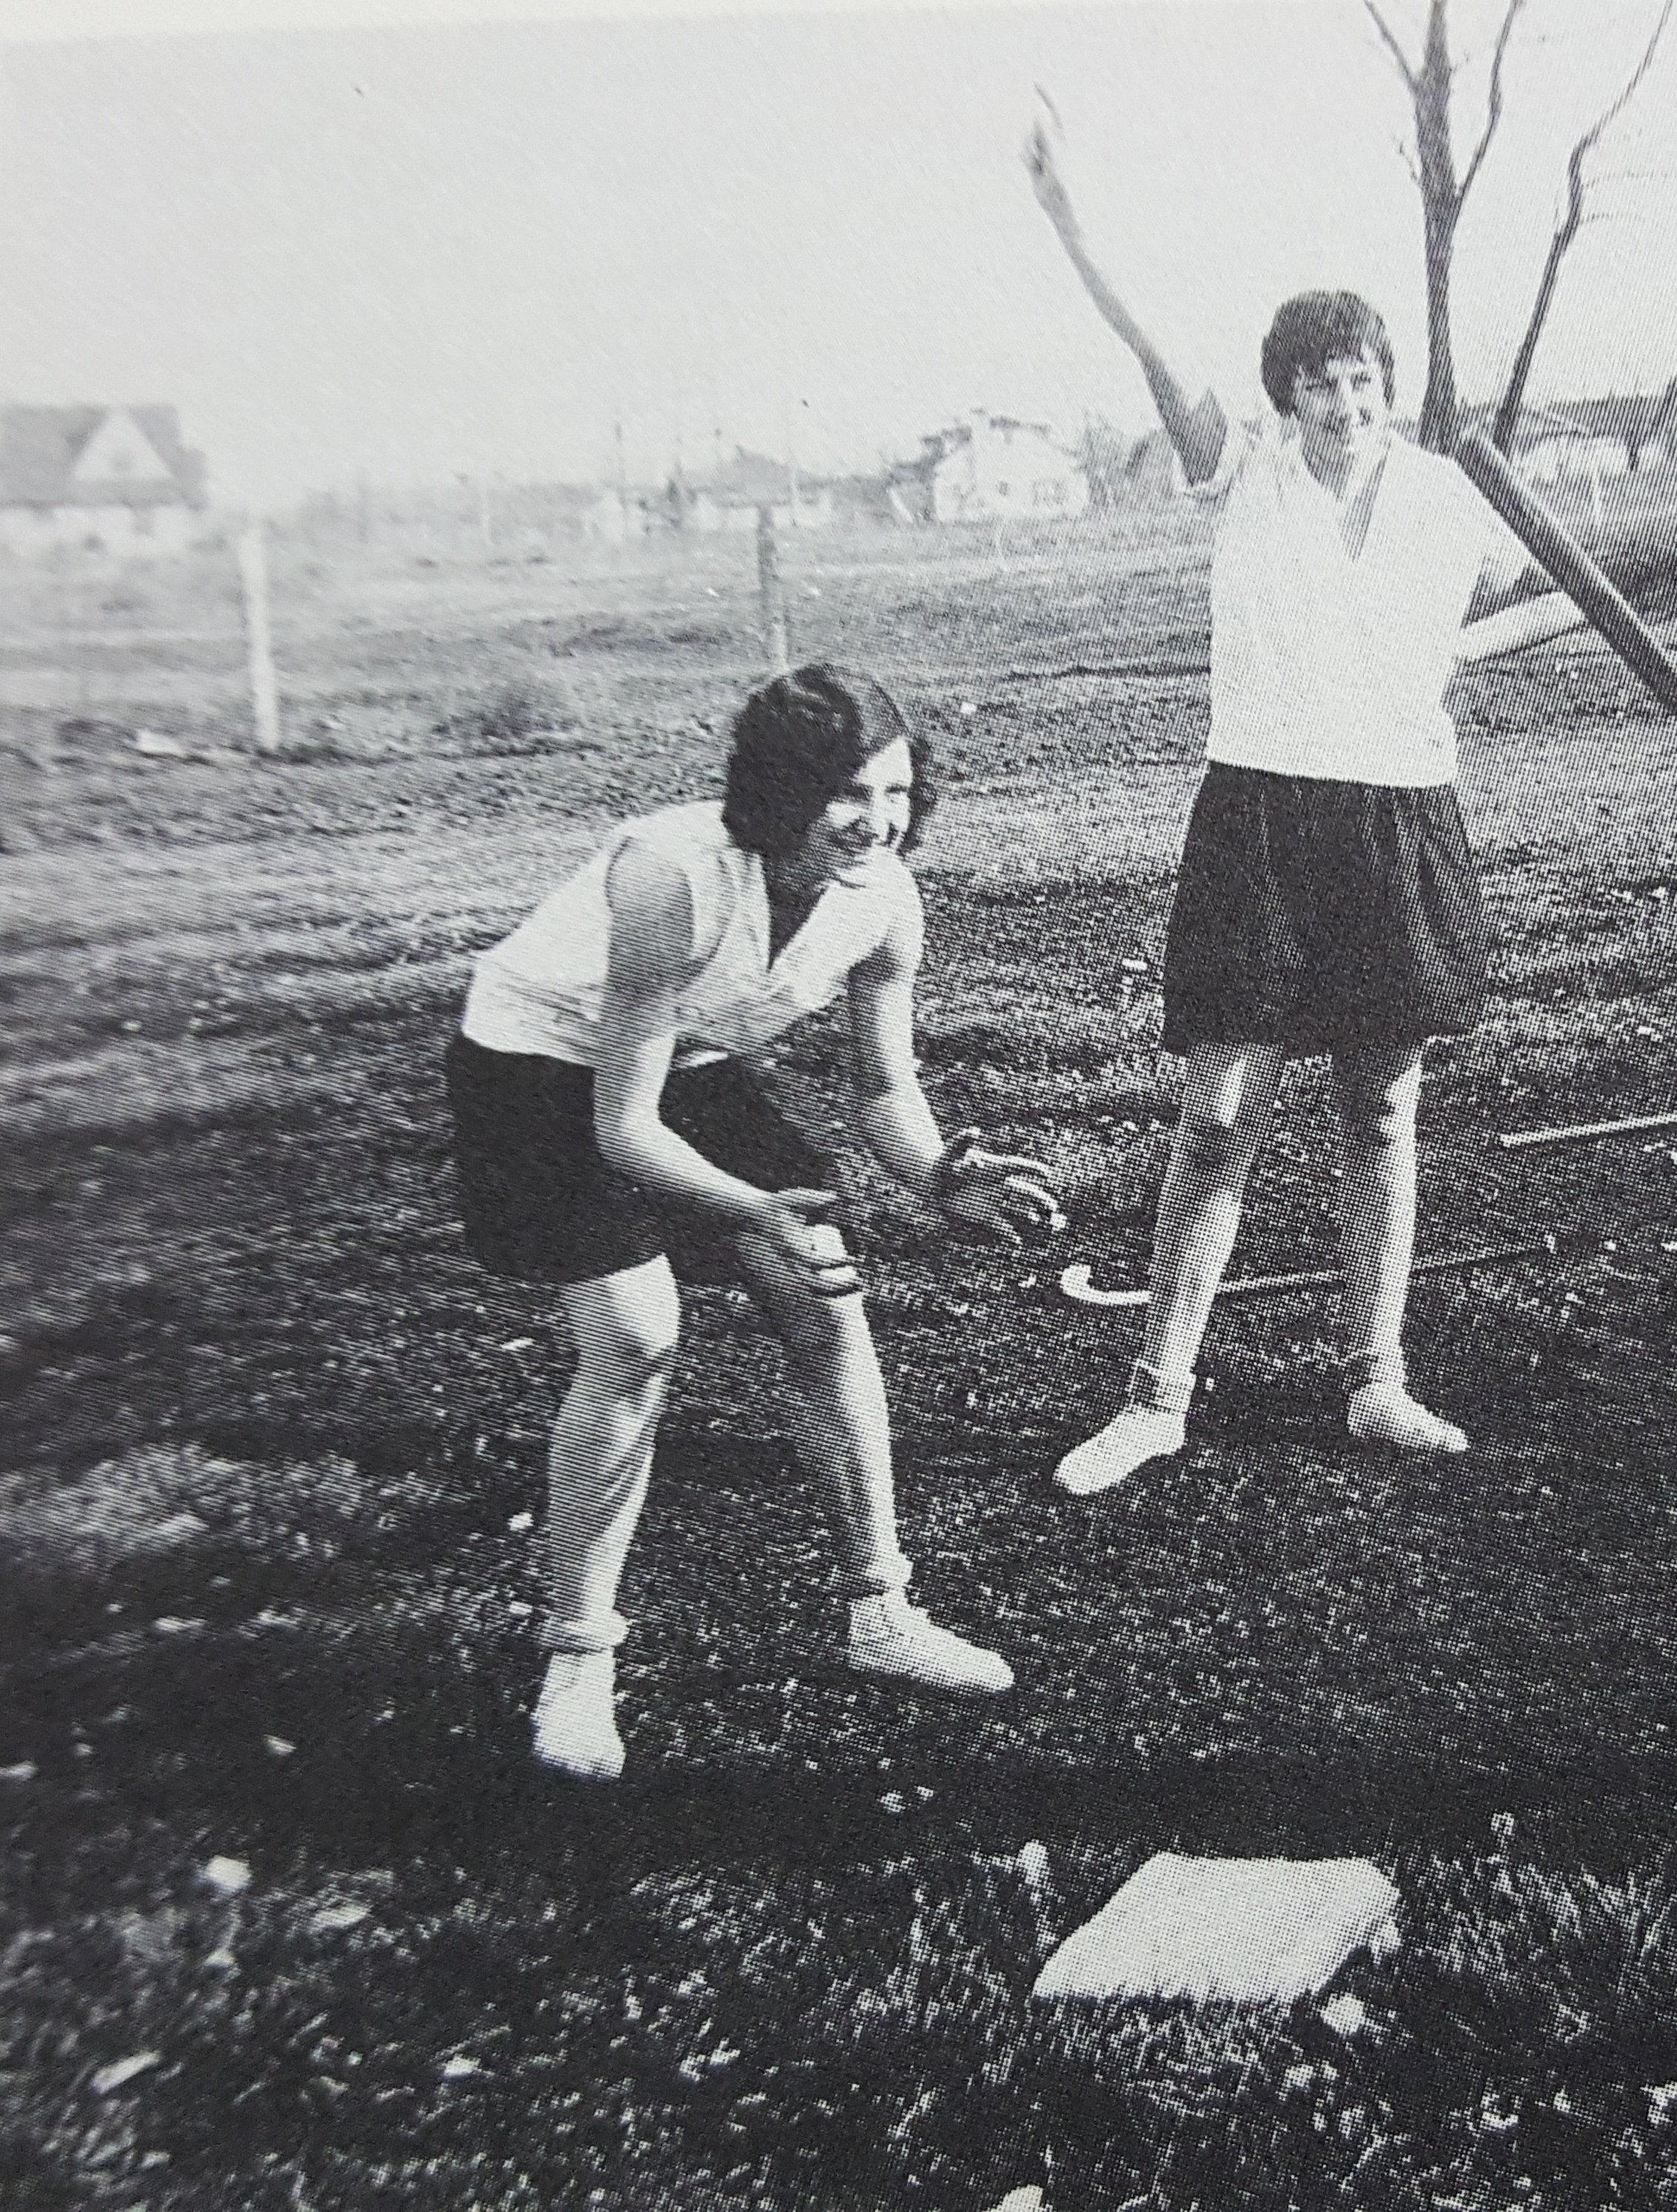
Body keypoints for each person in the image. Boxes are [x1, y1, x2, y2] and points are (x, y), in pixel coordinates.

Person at [1023, 105, 1585, 1497]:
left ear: (1387, 385)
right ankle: (1157, 1395)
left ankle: (1376, 1381)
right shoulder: (1245, 473)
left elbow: (1568, 597)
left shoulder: (1451, 496)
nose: (1345, 405)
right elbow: (1151, 349)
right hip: (1262, 820)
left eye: (1363, 379)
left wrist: (1453, 649)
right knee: (1219, 1113)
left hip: (1399, 817)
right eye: (1321, 385)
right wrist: (1069, 221)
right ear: (1285, 397)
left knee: (1380, 1111)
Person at [446, 664, 1063, 1781]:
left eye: (897, 792)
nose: (877, 822)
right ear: (778, 792)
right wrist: (752, 1210)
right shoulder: (670, 877)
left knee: (826, 1305)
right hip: (536, 1071)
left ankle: (880, 1610)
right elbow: (625, 1130)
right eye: (845, 794)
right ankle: (578, 1660)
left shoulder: (885, 903)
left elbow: (883, 1091)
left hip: (688, 1064)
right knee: (638, 1338)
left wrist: (937, 1180)